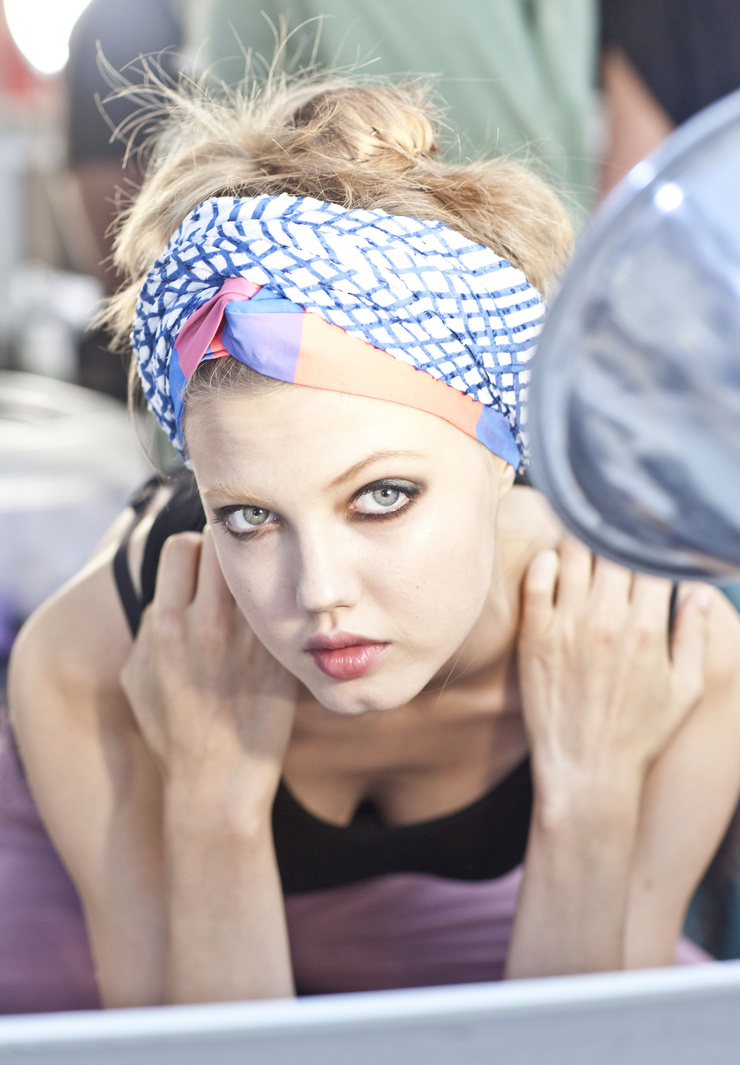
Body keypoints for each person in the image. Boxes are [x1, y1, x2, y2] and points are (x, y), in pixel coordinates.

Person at [8, 70, 740, 1009]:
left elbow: (592, 1042)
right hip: (123, 888)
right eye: (248, 516)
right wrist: (212, 804)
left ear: (505, 451)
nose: (318, 592)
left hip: (465, 915)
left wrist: (588, 800)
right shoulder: (85, 664)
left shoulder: (675, 648)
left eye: (382, 496)